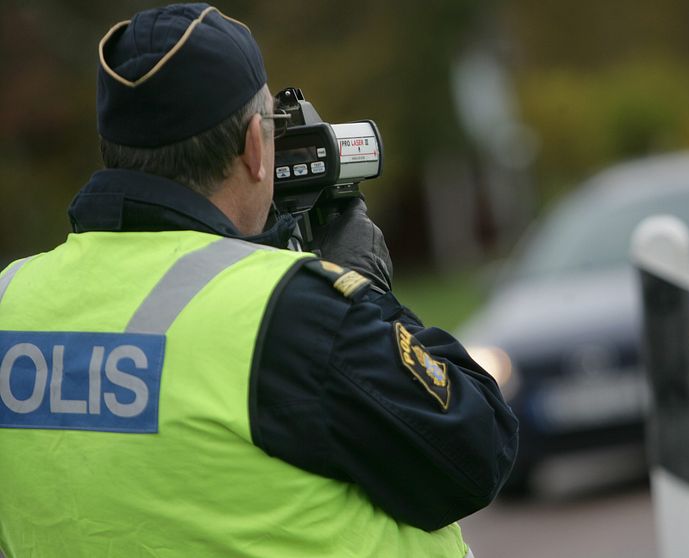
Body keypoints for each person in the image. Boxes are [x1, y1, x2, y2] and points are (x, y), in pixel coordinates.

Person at [0, 4, 517, 557]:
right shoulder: (285, 313)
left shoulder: (12, 297)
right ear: (253, 146)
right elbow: (475, 449)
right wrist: (363, 295)